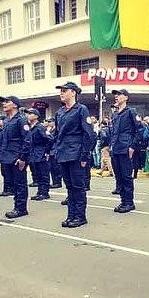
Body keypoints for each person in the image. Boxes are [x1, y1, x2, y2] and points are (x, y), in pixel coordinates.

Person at [53, 82, 94, 228]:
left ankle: (80, 216)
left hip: (76, 153)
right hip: (63, 153)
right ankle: (71, 215)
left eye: (65, 91)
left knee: (78, 186)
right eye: (61, 91)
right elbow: (57, 134)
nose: (61, 93)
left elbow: (88, 134)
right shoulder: (60, 112)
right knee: (69, 187)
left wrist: (84, 156)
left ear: (73, 93)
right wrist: (55, 150)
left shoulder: (81, 109)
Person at [0, 96, 30, 219]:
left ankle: (21, 208)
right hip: (7, 157)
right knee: (13, 185)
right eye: (3, 102)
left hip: (17, 157)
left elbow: (27, 140)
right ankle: (16, 206)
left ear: (15, 105)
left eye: (7, 102)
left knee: (20, 184)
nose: (4, 104)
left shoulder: (21, 120)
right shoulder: (6, 121)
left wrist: (22, 158)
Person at [109, 89, 138, 212]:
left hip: (125, 148)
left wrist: (132, 146)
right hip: (115, 148)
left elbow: (139, 130)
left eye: (119, 94)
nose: (116, 97)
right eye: (115, 95)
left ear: (126, 97)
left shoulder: (131, 112)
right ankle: (123, 201)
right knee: (119, 176)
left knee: (126, 176)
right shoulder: (115, 114)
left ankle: (129, 202)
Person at [27, 109, 54, 201]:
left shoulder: (40, 127)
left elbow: (50, 139)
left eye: (30, 114)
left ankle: (44, 192)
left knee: (44, 174)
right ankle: (40, 192)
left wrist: (47, 152)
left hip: (41, 153)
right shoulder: (31, 127)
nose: (28, 115)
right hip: (34, 153)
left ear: (36, 116)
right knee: (37, 174)